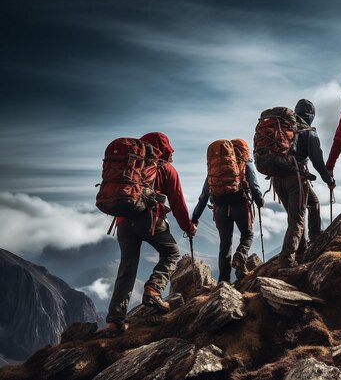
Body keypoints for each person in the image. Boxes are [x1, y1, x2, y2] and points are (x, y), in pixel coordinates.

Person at [104, 132, 197, 336]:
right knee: (171, 252)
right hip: (149, 220)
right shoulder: (166, 169)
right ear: (164, 148)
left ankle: (114, 321)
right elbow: (178, 202)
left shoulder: (133, 166)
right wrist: (188, 227)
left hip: (123, 222)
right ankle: (153, 290)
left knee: (126, 268)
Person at [192, 139, 264, 281]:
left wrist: (195, 217)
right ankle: (241, 256)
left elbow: (204, 195)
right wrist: (259, 200)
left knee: (225, 244)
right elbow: (254, 186)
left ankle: (223, 280)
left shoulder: (216, 168)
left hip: (220, 208)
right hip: (240, 205)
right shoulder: (245, 163)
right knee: (247, 235)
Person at [275, 99, 335, 268]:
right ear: (311, 116)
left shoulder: (283, 128)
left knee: (311, 203)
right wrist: (329, 180)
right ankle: (286, 260)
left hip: (277, 179)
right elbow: (318, 161)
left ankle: (303, 250)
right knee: (297, 221)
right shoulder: (308, 132)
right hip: (295, 180)